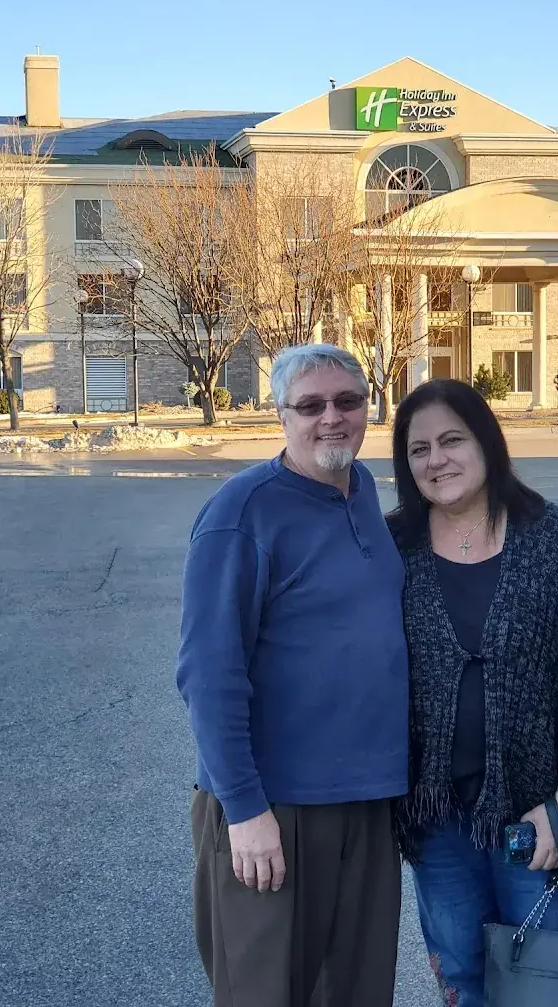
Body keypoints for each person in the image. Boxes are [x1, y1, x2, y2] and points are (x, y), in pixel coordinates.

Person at [388, 378, 558, 1007]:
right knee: (461, 973)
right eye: (419, 449)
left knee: (550, 978)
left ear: (488, 441)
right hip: (436, 814)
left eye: (452, 440)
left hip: (538, 809)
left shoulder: (557, 539)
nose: (437, 460)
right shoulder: (392, 547)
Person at [176, 344, 409, 1007]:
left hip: (368, 802)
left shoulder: (361, 490)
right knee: (266, 993)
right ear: (281, 414)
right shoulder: (241, 514)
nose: (331, 418)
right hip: (275, 808)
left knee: (360, 993)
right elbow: (209, 673)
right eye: (310, 405)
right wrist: (245, 810)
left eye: (347, 401)